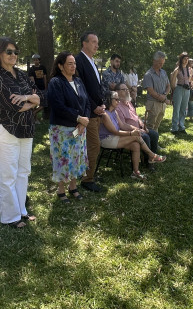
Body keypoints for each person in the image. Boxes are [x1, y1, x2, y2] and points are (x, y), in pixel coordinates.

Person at [0, 37, 42, 227]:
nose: (13, 55)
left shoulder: (22, 74)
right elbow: (12, 106)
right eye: (9, 52)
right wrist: (31, 101)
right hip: (6, 130)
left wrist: (27, 97)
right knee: (8, 175)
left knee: (23, 172)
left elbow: (39, 97)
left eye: (16, 52)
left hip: (26, 129)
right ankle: (10, 217)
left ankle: (21, 210)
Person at [46, 52, 90, 203]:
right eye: (70, 63)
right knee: (63, 159)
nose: (73, 66)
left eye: (74, 63)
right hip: (62, 129)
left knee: (77, 158)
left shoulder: (78, 81)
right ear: (60, 65)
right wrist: (78, 118)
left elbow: (87, 102)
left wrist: (84, 120)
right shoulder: (56, 82)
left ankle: (73, 187)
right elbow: (58, 106)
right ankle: (61, 190)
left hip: (79, 129)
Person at [99, 91, 165, 180]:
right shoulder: (105, 114)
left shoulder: (114, 112)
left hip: (116, 137)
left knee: (136, 145)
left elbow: (122, 125)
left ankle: (136, 172)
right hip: (106, 139)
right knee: (136, 137)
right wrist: (131, 133)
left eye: (118, 99)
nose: (118, 101)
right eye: (116, 99)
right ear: (108, 100)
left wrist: (136, 129)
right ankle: (152, 155)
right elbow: (114, 131)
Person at [75, 31, 106, 193]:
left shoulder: (92, 61)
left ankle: (88, 173)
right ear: (84, 43)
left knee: (90, 146)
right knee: (94, 145)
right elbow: (81, 88)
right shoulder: (78, 61)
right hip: (88, 112)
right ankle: (88, 179)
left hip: (97, 111)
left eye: (97, 42)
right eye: (93, 42)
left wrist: (102, 103)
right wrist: (94, 106)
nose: (96, 45)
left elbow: (96, 86)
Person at [115, 82, 156, 168]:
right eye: (124, 89)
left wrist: (142, 125)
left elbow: (136, 116)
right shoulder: (117, 107)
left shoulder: (129, 103)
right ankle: (149, 162)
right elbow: (122, 125)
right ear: (117, 92)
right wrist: (137, 130)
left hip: (139, 128)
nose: (127, 91)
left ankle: (152, 158)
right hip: (130, 132)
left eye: (127, 89)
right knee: (145, 137)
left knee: (154, 134)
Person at [142, 51, 170, 154]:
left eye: (162, 63)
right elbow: (151, 91)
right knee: (150, 126)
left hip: (162, 104)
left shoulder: (163, 72)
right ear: (154, 61)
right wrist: (163, 98)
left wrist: (165, 95)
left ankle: (155, 144)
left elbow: (168, 85)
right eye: (159, 63)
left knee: (157, 126)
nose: (161, 65)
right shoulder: (148, 75)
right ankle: (148, 148)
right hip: (153, 103)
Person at [169, 52, 191, 134]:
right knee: (177, 109)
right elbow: (172, 82)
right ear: (181, 59)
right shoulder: (177, 69)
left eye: (187, 59)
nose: (186, 60)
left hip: (187, 89)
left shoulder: (189, 69)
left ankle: (181, 126)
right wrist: (174, 89)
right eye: (185, 58)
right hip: (179, 88)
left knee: (184, 109)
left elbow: (189, 80)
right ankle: (174, 127)